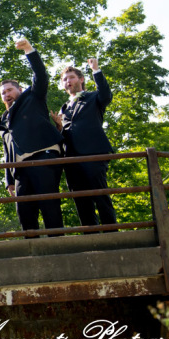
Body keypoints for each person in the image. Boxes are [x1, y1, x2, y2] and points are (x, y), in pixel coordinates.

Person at [0, 38, 66, 233]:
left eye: (10, 90)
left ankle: (58, 245)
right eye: (3, 93)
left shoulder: (32, 97)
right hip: (20, 167)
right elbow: (7, 148)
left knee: (49, 205)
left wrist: (29, 50)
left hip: (43, 156)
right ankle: (32, 250)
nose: (6, 94)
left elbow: (40, 76)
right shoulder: (4, 120)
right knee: (24, 211)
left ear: (19, 89)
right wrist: (9, 179)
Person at [56, 58, 117, 227]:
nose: (68, 82)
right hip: (72, 159)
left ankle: (112, 234)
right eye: (65, 79)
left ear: (81, 79)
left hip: (93, 154)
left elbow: (106, 95)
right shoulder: (64, 108)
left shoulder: (93, 98)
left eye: (72, 78)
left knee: (100, 195)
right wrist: (59, 127)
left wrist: (96, 69)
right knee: (81, 200)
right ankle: (91, 236)